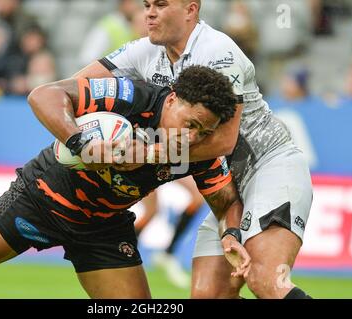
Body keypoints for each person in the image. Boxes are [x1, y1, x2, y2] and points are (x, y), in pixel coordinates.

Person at [0, 66, 250, 299]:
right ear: (172, 99)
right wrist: (81, 143)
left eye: (204, 131)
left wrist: (231, 234)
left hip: (103, 228)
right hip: (39, 197)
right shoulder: (131, 96)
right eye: (190, 124)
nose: (193, 137)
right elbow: (43, 95)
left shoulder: (198, 151)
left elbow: (226, 201)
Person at [74, 0, 313, 299]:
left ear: (191, 10)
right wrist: (85, 135)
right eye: (146, 4)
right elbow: (74, 88)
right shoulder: (143, 51)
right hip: (227, 190)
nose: (149, 12)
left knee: (266, 280)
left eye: (160, 4)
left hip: (269, 168)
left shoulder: (217, 52)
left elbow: (223, 141)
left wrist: (145, 153)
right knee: (208, 295)